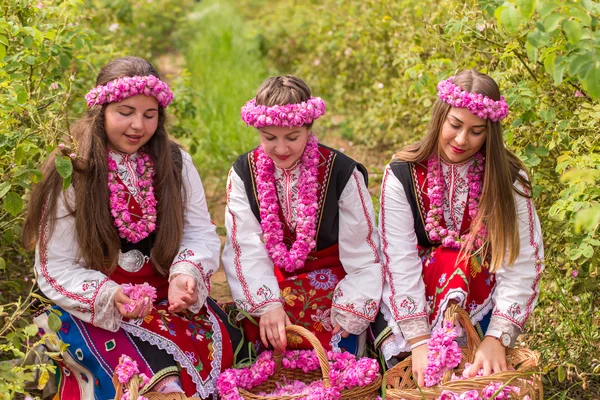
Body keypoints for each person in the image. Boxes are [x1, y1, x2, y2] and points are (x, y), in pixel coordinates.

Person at [22, 56, 239, 400]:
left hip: (163, 298)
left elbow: (199, 232)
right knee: (139, 371)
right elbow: (55, 266)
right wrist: (109, 295)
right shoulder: (73, 169)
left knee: (219, 345)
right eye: (125, 112)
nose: (138, 125)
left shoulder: (177, 163)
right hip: (91, 306)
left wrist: (185, 273)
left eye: (149, 115)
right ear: (101, 111)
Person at [374, 70, 544, 385]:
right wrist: (419, 342)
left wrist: (498, 337)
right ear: (440, 117)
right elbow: (397, 257)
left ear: (489, 133)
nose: (462, 140)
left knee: (461, 260)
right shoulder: (403, 173)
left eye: (476, 131)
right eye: (455, 125)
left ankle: (474, 357)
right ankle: (410, 361)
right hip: (415, 300)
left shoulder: (509, 177)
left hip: (481, 304)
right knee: (448, 259)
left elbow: (520, 261)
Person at [222, 76, 383, 355]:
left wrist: (354, 304)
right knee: (250, 332)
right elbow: (244, 246)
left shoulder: (340, 172)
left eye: (292, 137)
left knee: (334, 343)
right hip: (273, 279)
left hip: (334, 279)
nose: (281, 149)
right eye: (269, 138)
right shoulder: (244, 172)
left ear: (309, 128)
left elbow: (363, 250)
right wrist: (267, 305)